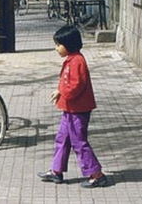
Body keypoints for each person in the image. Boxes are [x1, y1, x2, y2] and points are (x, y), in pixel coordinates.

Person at [37, 26, 107, 188]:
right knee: (62, 138)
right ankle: (56, 170)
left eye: (58, 45)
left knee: (79, 142)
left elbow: (76, 85)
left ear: (68, 44)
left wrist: (61, 92)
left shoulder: (77, 62)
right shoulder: (72, 60)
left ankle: (96, 174)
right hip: (70, 109)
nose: (56, 48)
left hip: (78, 109)